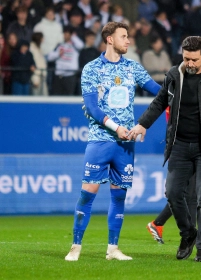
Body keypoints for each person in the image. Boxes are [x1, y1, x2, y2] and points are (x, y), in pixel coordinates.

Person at [130, 36, 201, 262]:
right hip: (179, 146)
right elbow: (160, 103)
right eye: (186, 58)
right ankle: (188, 233)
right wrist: (142, 124)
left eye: (194, 60)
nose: (189, 63)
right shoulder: (173, 76)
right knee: (172, 193)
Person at [64, 21, 161, 262]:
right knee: (88, 194)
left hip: (126, 144)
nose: (128, 41)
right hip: (100, 140)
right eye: (124, 36)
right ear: (110, 39)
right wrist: (116, 127)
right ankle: (75, 246)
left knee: (119, 197)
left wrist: (179, 89)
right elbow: (92, 107)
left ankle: (113, 248)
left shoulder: (133, 68)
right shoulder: (92, 69)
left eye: (128, 36)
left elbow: (160, 92)